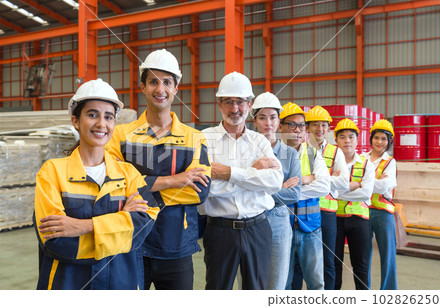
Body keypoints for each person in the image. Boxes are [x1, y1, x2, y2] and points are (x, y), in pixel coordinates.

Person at [34, 78, 160, 290]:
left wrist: (83, 226)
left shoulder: (128, 173)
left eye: (108, 117)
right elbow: (56, 242)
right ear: (76, 121)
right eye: (92, 114)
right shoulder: (52, 172)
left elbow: (143, 227)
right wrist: (122, 225)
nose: (101, 124)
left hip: (120, 284)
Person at [106, 49, 211, 290]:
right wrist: (174, 181)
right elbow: (113, 188)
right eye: (153, 81)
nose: (159, 89)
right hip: (131, 242)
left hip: (177, 246)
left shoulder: (194, 138)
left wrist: (139, 188)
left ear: (176, 88)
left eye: (166, 82)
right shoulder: (121, 135)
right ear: (142, 87)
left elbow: (198, 192)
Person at [200, 72, 283, 290]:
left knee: (257, 291)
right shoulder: (204, 139)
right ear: (219, 104)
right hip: (219, 231)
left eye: (240, 102)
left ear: (250, 104)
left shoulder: (260, 141)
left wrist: (228, 173)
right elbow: (206, 189)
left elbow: (274, 182)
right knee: (218, 291)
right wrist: (252, 175)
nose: (235, 108)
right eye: (228, 102)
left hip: (258, 228)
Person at [251, 92, 302, 290]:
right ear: (254, 120)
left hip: (279, 222)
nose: (268, 123)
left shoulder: (290, 154)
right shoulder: (246, 151)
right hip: (250, 220)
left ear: (279, 121)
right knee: (251, 284)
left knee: (277, 285)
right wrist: (279, 187)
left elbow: (294, 194)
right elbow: (240, 188)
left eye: (273, 117)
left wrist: (258, 188)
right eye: (262, 117)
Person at [278, 102, 330, 290]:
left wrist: (290, 189)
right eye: (292, 124)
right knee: (283, 283)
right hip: (281, 228)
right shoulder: (273, 154)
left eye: (301, 125)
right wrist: (307, 179)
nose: (298, 130)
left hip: (311, 228)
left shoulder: (313, 154)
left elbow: (324, 186)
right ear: (280, 126)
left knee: (316, 283)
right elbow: (270, 189)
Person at [305, 106, 349, 290]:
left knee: (328, 261)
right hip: (305, 210)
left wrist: (315, 179)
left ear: (328, 128)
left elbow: (344, 183)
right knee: (303, 261)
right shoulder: (301, 150)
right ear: (307, 127)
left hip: (328, 213)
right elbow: (297, 181)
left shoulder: (335, 151)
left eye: (323, 125)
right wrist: (331, 178)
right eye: (315, 124)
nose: (320, 129)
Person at [333, 118, 375, 290]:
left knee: (361, 266)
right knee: (333, 264)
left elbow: (366, 193)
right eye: (342, 137)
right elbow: (325, 189)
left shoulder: (367, 164)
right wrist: (352, 187)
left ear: (357, 140)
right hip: (334, 219)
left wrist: (337, 190)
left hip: (360, 220)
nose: (347, 140)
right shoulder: (329, 162)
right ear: (335, 140)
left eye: (351, 137)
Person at [362, 119, 397, 290]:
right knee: (363, 257)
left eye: (384, 138)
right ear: (371, 139)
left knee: (388, 256)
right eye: (376, 138)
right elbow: (353, 180)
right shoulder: (361, 158)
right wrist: (375, 181)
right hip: (363, 212)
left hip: (384, 213)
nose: (380, 142)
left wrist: (366, 182)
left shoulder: (391, 162)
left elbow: (385, 186)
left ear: (389, 141)